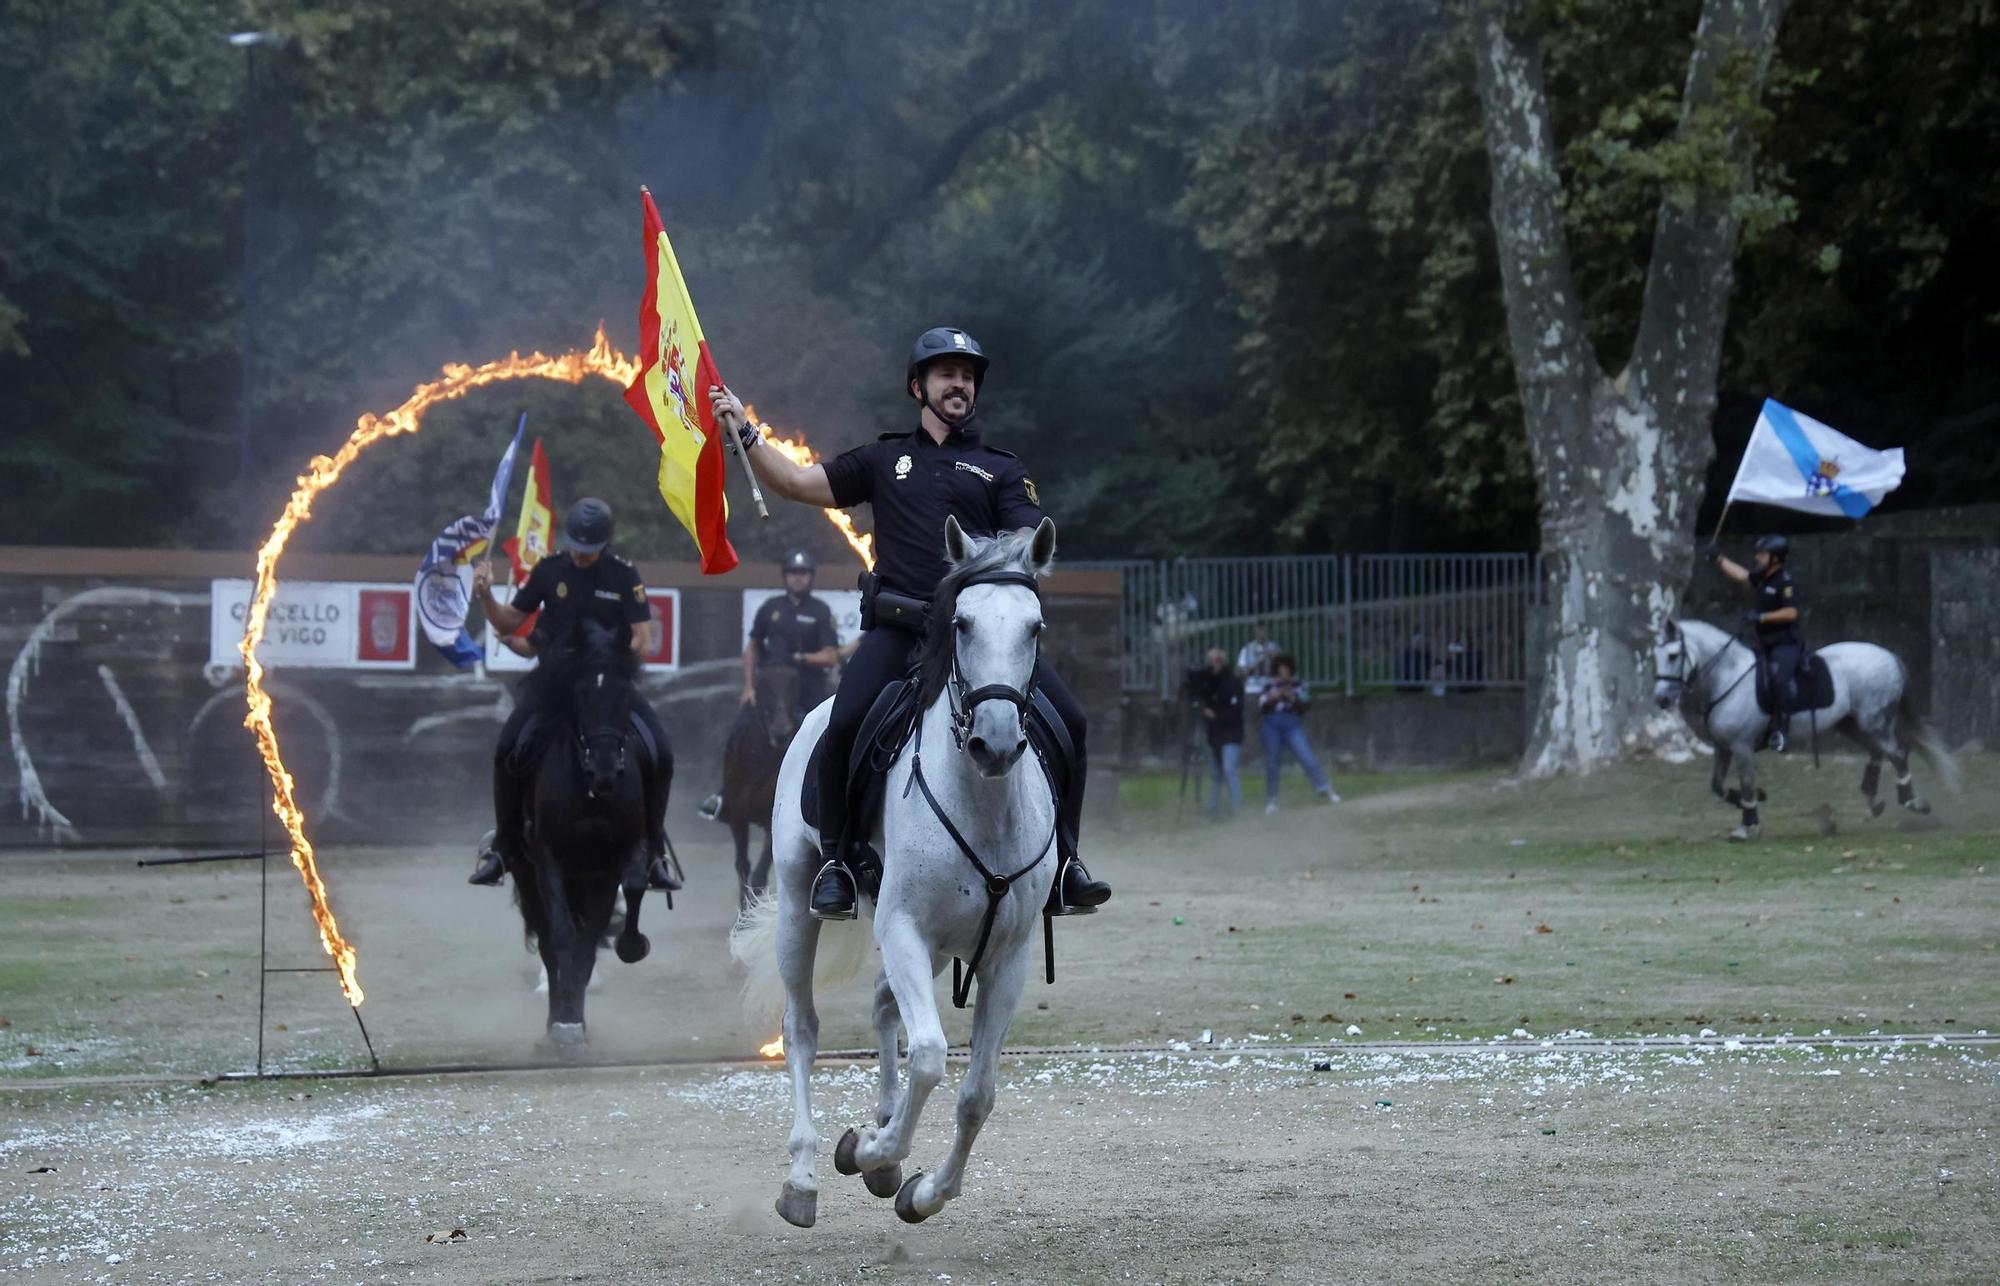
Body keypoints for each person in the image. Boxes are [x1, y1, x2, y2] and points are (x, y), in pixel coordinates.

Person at [709, 325, 1110, 921]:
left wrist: (1009, 556)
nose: (960, 384)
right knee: (842, 722)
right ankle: (838, 862)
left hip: (980, 638)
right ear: (917, 386)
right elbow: (792, 481)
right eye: (947, 374)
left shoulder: (999, 469)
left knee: (1071, 722)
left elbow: (1027, 530)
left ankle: (1067, 863)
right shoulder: (881, 460)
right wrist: (742, 429)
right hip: (900, 631)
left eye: (968, 376)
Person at [466, 498, 679, 890]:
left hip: (608, 687)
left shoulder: (624, 576)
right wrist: (485, 597)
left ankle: (653, 854)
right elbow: (511, 622)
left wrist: (611, 661)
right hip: (555, 687)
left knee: (660, 752)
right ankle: (504, 848)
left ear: (604, 545)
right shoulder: (550, 570)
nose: (581, 557)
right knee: (507, 748)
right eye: (577, 548)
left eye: (589, 551)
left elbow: (641, 639)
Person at [697, 549, 841, 821]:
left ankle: (822, 797)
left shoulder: (820, 611)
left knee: (822, 736)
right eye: (793, 574)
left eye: (803, 574)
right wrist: (748, 687)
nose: (798, 579)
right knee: (739, 730)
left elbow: (831, 655)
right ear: (786, 577)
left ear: (810, 578)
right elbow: (751, 648)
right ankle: (723, 795)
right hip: (769, 690)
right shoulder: (770, 608)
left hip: (807, 689)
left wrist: (801, 658)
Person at [1707, 533, 1803, 752]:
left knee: (1780, 680)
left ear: (1775, 558)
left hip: (1786, 645)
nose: (1757, 557)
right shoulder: (1764, 578)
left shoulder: (1786, 582)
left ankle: (1781, 730)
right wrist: (1718, 559)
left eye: (1762, 553)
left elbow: (1790, 613)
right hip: (1764, 644)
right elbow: (1742, 575)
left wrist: (1761, 617)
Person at [1258, 655, 1339, 813]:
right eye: (1280, 671)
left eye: (1286, 671)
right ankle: (1272, 800)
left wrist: (1292, 698)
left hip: (1292, 723)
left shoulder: (1300, 685)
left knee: (1306, 755)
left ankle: (1325, 788)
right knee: (1273, 762)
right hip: (1271, 725)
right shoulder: (1268, 685)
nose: (1284, 675)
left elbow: (1305, 706)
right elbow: (1262, 707)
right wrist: (1273, 698)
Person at [1195, 647, 1245, 818]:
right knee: (1216, 772)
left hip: (1231, 732)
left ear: (1223, 662)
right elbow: (1200, 700)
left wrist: (1216, 716)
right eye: (1210, 661)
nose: (1213, 664)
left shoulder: (1233, 681)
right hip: (1214, 734)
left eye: (1216, 660)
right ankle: (1212, 808)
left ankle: (1237, 808)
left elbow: (1236, 710)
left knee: (1229, 768)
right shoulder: (1207, 683)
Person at [1236, 621, 1281, 697]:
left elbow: (1282, 670)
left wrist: (1273, 658)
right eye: (1259, 630)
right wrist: (1258, 663)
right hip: (1252, 688)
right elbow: (1241, 673)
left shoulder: (1275, 648)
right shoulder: (1246, 649)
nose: (1261, 633)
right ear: (1255, 632)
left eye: (1263, 630)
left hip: (1271, 688)